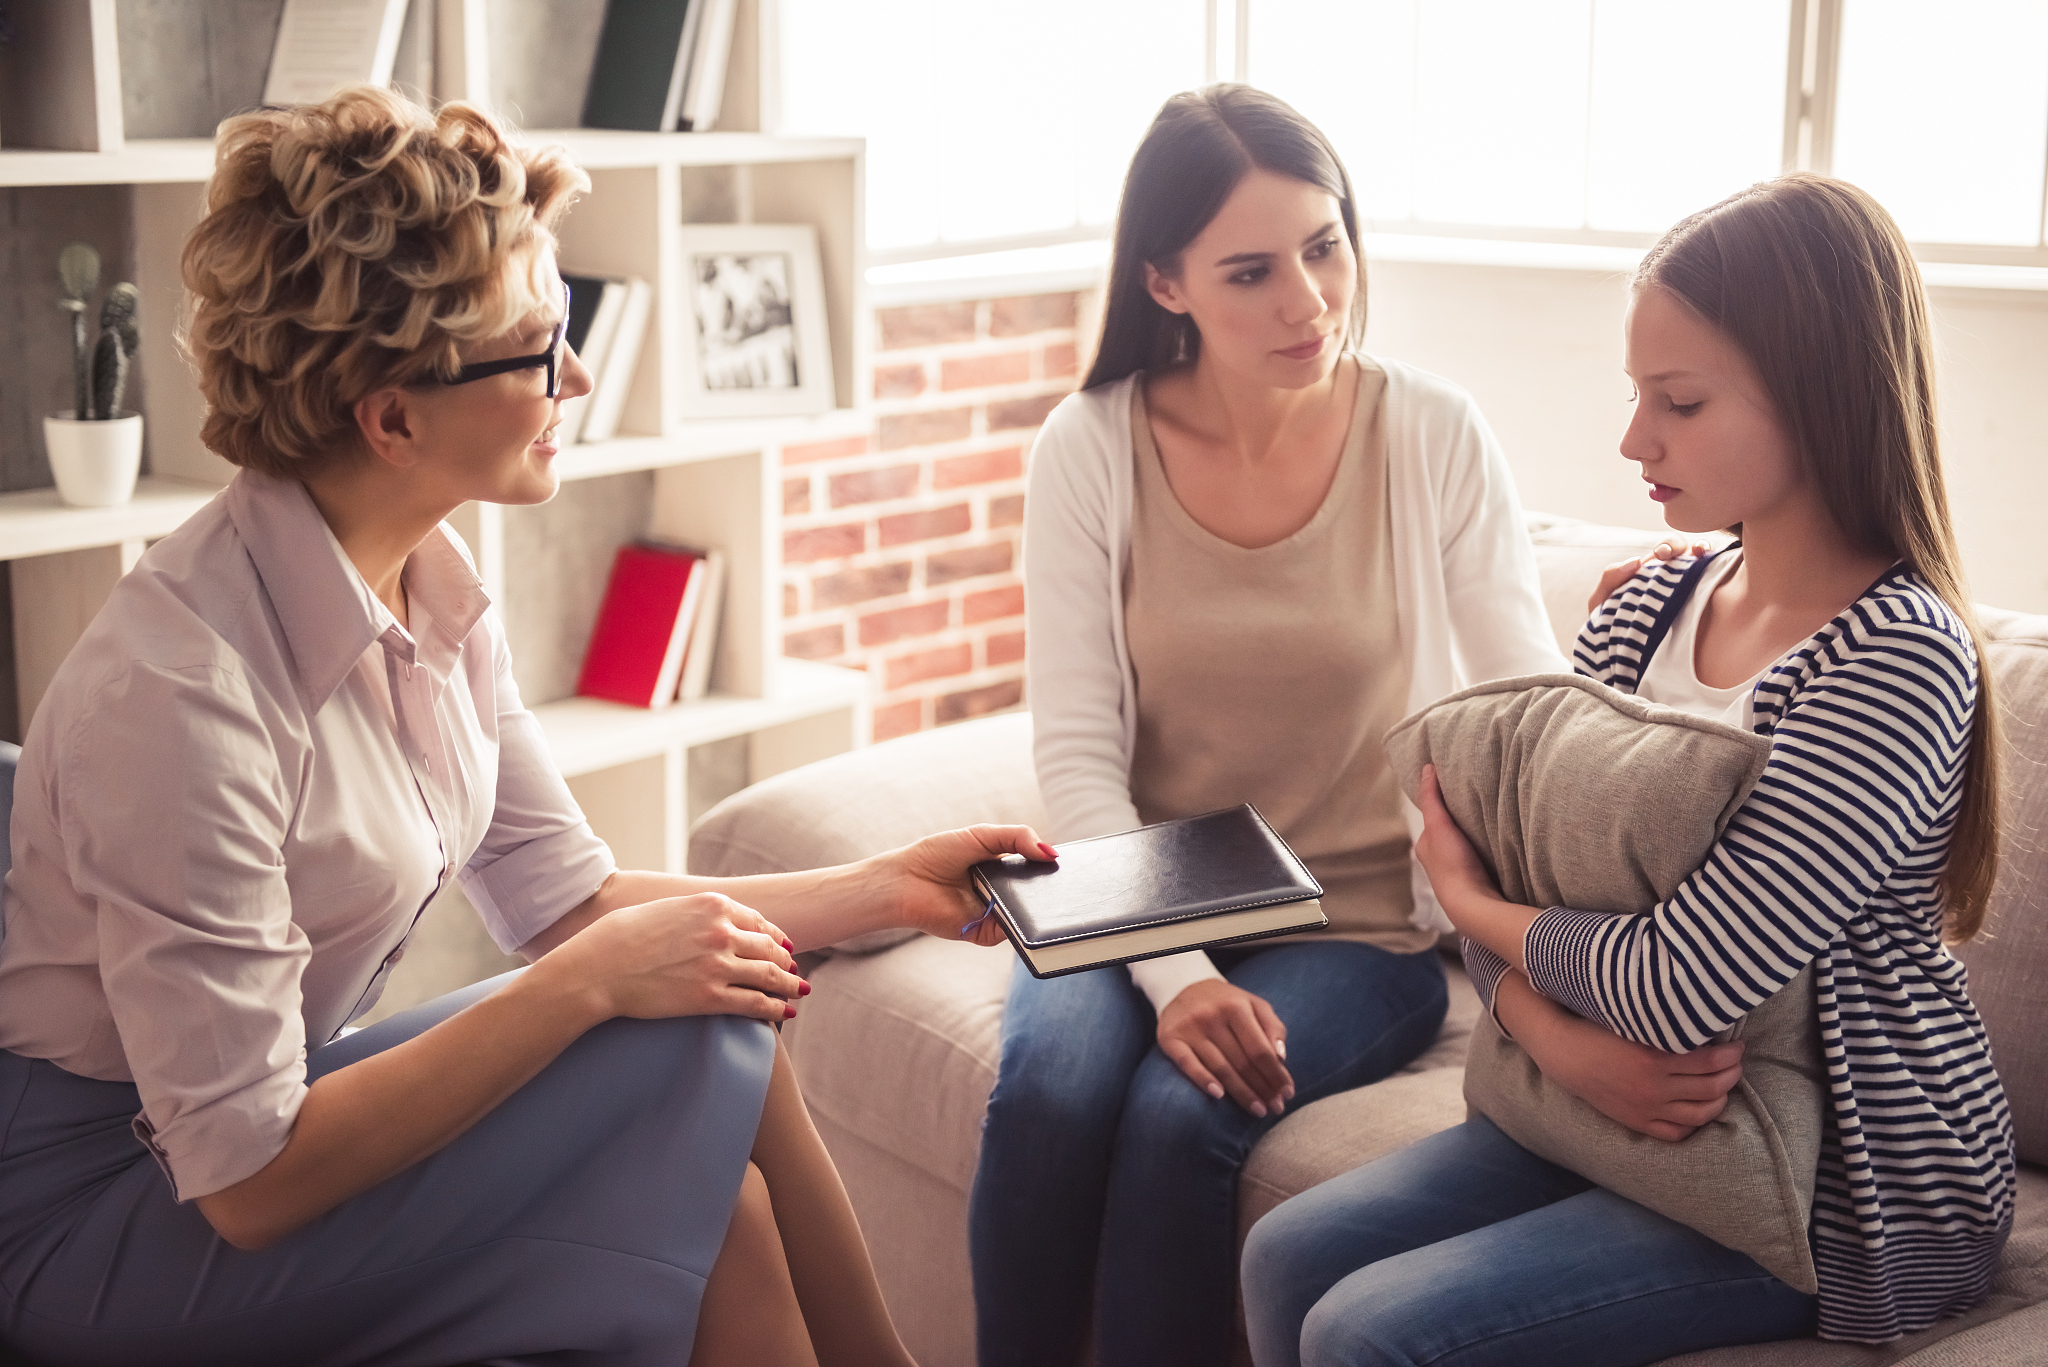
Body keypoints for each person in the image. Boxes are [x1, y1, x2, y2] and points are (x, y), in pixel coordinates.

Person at [0, 87, 1047, 1367]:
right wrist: (587, 987)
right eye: (541, 348)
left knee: (712, 1064)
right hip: (107, 1214)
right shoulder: (179, 694)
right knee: (685, 1029)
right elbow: (247, 1175)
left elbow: (568, 897)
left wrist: (882, 887)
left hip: (243, 1126)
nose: (583, 376)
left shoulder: (427, 584)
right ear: (390, 417)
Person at [1240, 173, 2018, 1367]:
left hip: (1830, 1179)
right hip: (1601, 1106)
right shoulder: (1646, 606)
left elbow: (1674, 985)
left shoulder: (1895, 656)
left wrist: (1470, 904)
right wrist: (1553, 1039)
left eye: (1681, 400)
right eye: (1634, 393)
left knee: (1364, 1330)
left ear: (1819, 397)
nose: (1631, 439)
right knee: (1281, 1252)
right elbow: (1526, 858)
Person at [970, 85, 1564, 1367]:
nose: (1307, 299)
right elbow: (1074, 745)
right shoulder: (1091, 446)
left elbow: (1525, 704)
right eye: (1250, 269)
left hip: (1353, 917)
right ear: (1165, 283)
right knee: (1052, 1092)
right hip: (1140, 882)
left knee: (1182, 1120)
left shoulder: (1429, 432)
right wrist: (1174, 974)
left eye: (1324, 244)